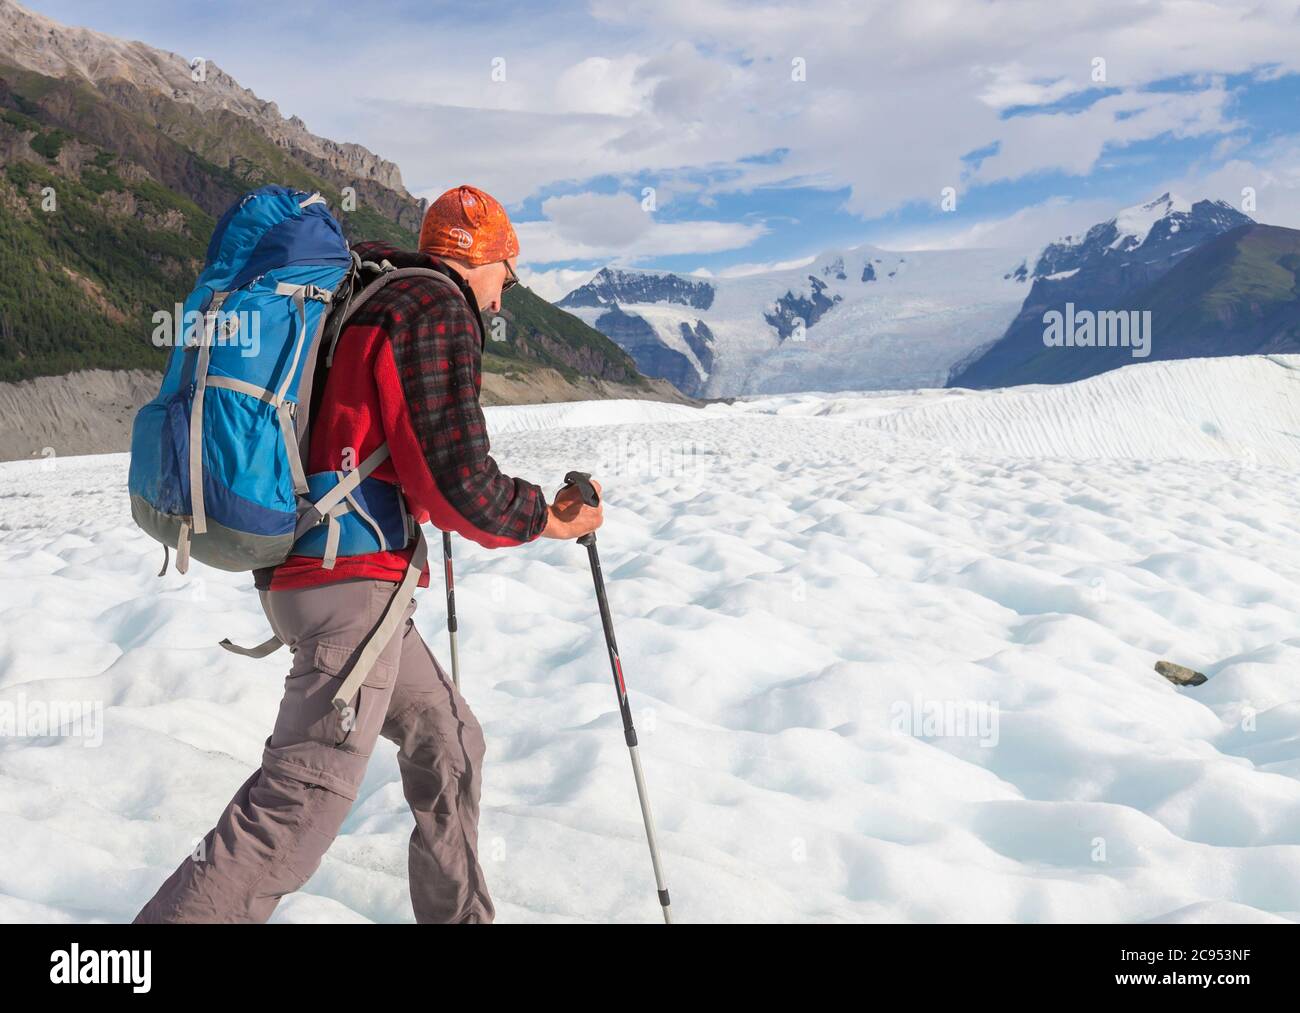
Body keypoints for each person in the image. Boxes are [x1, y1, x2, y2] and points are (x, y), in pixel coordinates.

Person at [134, 185, 603, 924]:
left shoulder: (371, 290)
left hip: (320, 577)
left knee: (449, 742)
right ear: (477, 259)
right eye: (506, 274)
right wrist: (550, 517)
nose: (504, 296)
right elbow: (455, 484)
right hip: (351, 588)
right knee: (295, 807)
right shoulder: (429, 309)